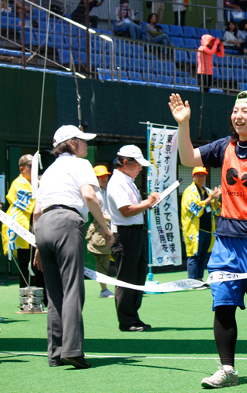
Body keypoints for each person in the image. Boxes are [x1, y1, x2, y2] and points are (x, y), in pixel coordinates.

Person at [168, 90, 247, 389]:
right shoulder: (224, 146)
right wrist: (182, 125)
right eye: (235, 110)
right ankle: (228, 370)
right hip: (226, 241)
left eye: (245, 111)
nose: (237, 115)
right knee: (222, 304)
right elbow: (188, 158)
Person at [33, 124, 114, 369]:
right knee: (72, 288)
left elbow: (36, 212)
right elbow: (89, 195)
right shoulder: (81, 164)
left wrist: (38, 245)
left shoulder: (47, 171)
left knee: (54, 293)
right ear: (71, 142)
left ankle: (55, 354)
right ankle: (73, 350)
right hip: (67, 222)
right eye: (82, 140)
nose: (86, 145)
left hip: (43, 226)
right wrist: (105, 227)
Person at [107, 145, 160, 332]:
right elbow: (126, 210)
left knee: (138, 276)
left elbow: (132, 209)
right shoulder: (117, 182)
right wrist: (147, 203)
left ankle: (133, 317)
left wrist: (147, 203)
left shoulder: (127, 180)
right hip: (125, 234)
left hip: (135, 232)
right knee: (127, 278)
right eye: (138, 165)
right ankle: (126, 320)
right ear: (126, 163)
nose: (140, 168)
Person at [2, 154, 47, 306]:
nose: (34, 170)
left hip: (37, 226)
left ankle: (44, 298)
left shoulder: (38, 182)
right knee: (27, 264)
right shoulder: (18, 184)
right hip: (22, 229)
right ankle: (29, 301)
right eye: (30, 167)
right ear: (22, 169)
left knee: (41, 265)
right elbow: (33, 206)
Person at [181, 166, 222, 282]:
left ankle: (199, 280)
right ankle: (192, 281)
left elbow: (216, 210)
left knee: (203, 256)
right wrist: (210, 198)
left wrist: (215, 199)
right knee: (194, 255)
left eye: (203, 175)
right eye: (198, 175)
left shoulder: (208, 191)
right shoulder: (189, 191)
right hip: (195, 229)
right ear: (193, 177)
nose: (201, 177)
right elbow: (195, 208)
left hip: (208, 228)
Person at [85, 165, 114, 298]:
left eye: (105, 175)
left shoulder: (108, 190)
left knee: (121, 257)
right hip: (100, 227)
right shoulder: (93, 192)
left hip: (114, 225)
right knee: (102, 260)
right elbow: (96, 212)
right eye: (100, 176)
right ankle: (104, 290)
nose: (104, 178)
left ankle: (126, 287)